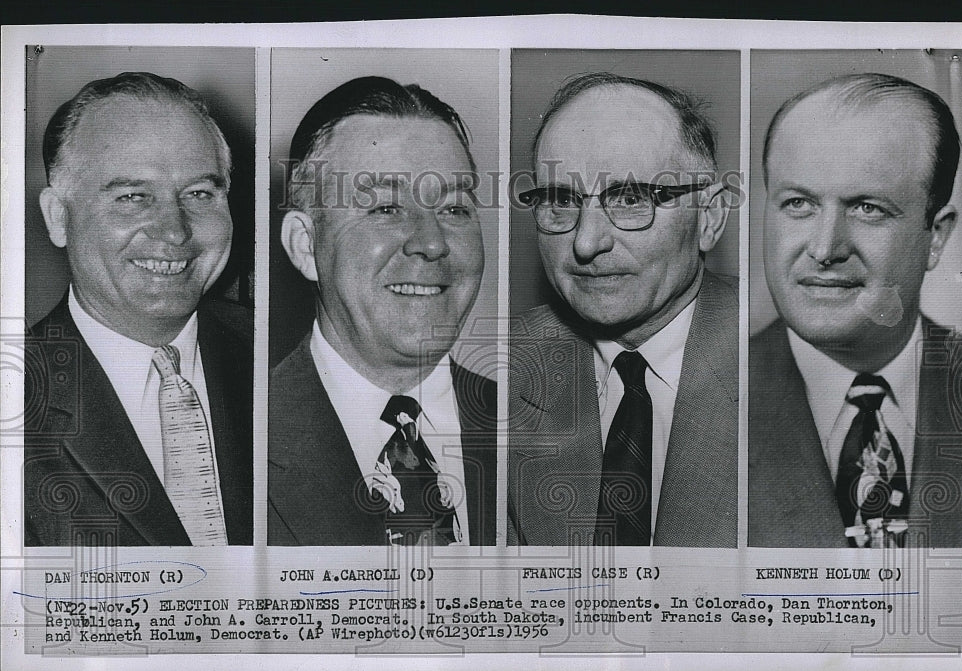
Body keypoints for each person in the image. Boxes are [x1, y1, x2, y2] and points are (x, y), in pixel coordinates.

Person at [508, 73, 738, 547]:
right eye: (559, 201)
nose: (587, 242)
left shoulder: (783, 363)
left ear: (709, 218)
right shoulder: (490, 372)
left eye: (631, 199)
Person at [24, 72, 253, 547]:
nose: (174, 231)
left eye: (199, 194)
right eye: (132, 196)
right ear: (58, 217)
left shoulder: (285, 362)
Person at [268, 76, 496, 546]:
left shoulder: (547, 430)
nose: (432, 243)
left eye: (454, 209)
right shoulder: (237, 438)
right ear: (306, 245)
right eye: (386, 208)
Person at [749, 72, 962, 548]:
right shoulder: (697, 401)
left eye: (868, 208)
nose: (825, 249)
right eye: (799, 203)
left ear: (937, 236)